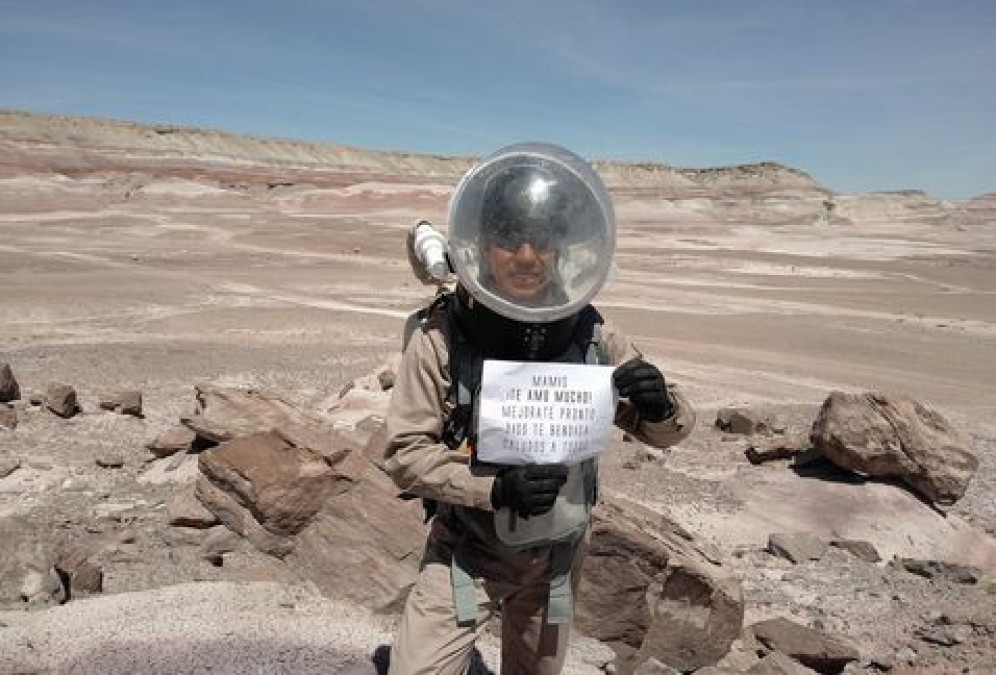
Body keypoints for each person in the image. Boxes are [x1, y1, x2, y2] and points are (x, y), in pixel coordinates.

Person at [382, 143, 695, 675]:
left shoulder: (589, 333)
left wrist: (660, 405)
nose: (527, 256)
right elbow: (403, 453)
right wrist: (492, 490)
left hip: (556, 556)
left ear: (562, 248)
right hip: (468, 550)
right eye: (508, 239)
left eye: (542, 240)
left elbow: (671, 432)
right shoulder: (443, 339)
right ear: (481, 245)